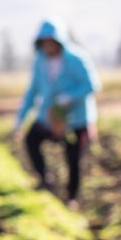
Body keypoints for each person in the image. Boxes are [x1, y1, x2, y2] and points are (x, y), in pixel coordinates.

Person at [11, 19, 100, 206]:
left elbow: (92, 85)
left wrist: (68, 97)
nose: (48, 46)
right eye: (44, 43)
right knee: (31, 140)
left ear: (59, 41)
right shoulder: (40, 62)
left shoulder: (76, 59)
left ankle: (72, 197)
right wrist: (20, 119)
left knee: (73, 157)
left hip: (76, 118)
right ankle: (45, 180)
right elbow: (32, 91)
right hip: (49, 116)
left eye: (51, 42)